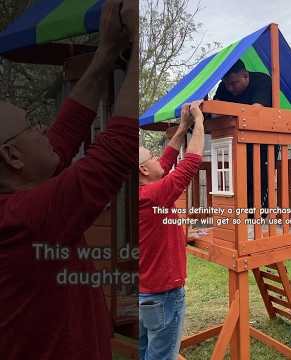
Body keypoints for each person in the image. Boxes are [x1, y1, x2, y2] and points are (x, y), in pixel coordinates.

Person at [0, 0, 138, 359]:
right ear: (12, 157)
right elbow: (115, 152)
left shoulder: (20, 195)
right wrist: (143, 46)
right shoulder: (23, 221)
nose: (44, 127)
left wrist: (107, 51)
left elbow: (62, 136)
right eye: (32, 125)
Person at [138, 101, 205, 360]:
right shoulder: (153, 194)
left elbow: (165, 163)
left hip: (144, 294)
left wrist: (182, 127)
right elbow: (189, 165)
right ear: (144, 170)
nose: (159, 158)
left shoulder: (142, 193)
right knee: (161, 356)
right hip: (162, 295)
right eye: (151, 157)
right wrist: (199, 122)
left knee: (144, 351)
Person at [214, 59, 276, 211]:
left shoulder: (262, 81)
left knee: (260, 179)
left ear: (245, 75)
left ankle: (259, 217)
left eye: (234, 83)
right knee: (241, 179)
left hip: (264, 140)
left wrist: (227, 112)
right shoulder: (224, 87)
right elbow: (213, 112)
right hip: (237, 140)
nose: (230, 88)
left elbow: (255, 111)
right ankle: (244, 216)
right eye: (227, 84)